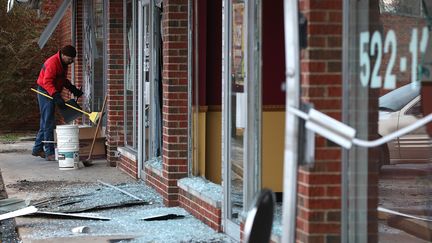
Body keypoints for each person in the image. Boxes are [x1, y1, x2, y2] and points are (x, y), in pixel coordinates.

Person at [32, 45, 83, 161]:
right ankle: (49, 152)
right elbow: (47, 81)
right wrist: (56, 95)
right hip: (45, 91)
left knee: (45, 121)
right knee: (49, 121)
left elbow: (62, 79)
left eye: (72, 59)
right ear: (63, 55)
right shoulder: (53, 63)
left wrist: (72, 88)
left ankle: (37, 149)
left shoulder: (63, 64)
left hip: (51, 90)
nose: (71, 62)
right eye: (70, 59)